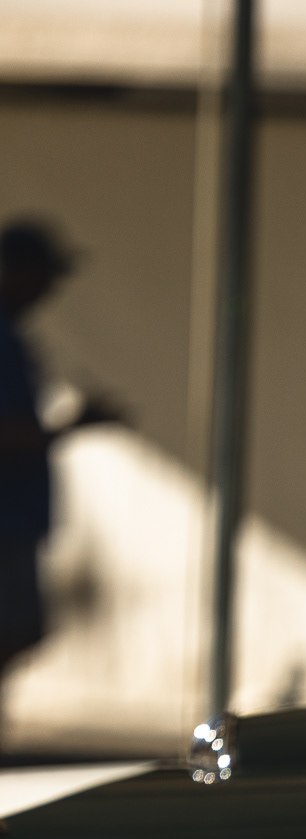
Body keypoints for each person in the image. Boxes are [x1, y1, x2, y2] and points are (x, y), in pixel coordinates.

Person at [0, 219, 121, 691]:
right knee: (16, 627)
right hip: (6, 519)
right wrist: (73, 426)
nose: (50, 288)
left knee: (21, 628)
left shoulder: (12, 337)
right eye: (42, 274)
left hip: (15, 517)